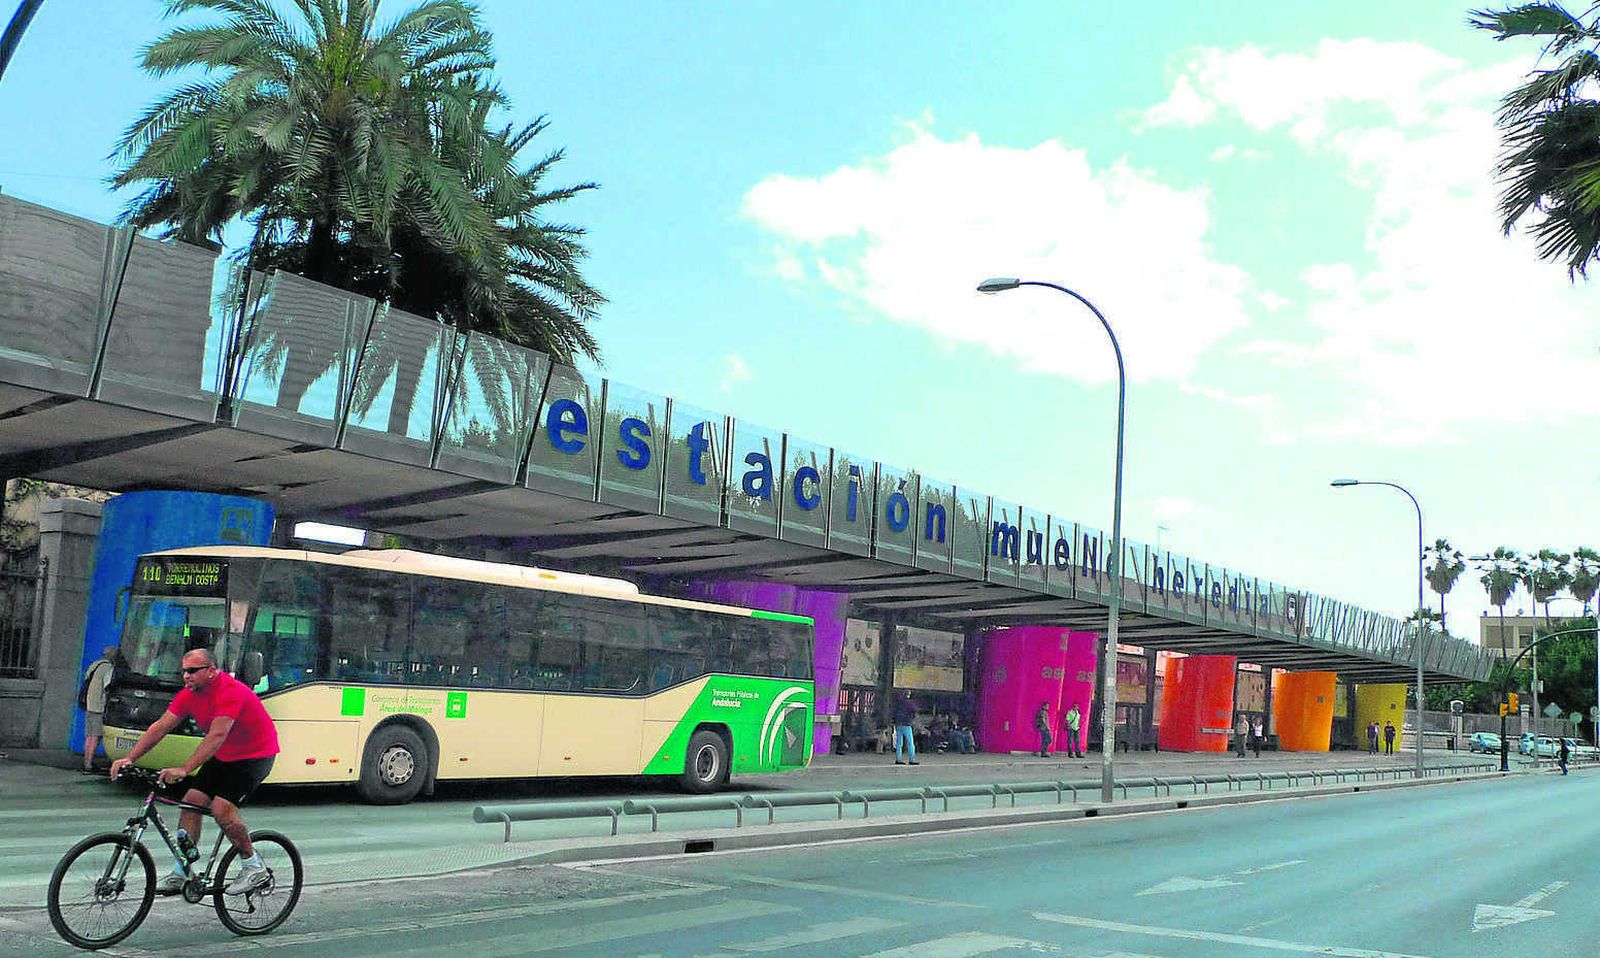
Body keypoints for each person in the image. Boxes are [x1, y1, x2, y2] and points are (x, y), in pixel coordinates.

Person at [109, 648, 280, 897]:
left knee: (221, 810)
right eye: (183, 671)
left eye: (192, 671)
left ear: (211, 671)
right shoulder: (190, 694)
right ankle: (182, 872)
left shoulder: (230, 692)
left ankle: (253, 865)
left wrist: (184, 769)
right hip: (224, 756)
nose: (186, 676)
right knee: (191, 802)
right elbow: (160, 727)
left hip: (254, 756)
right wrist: (130, 757)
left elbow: (217, 735)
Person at [80, 647, 120, 773]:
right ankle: (89, 765)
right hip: (99, 707)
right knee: (96, 736)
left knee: (89, 736)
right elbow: (108, 686)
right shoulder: (108, 668)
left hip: (89, 704)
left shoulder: (94, 665)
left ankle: (86, 762)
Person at [891, 691, 918, 765]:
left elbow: (894, 713)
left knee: (899, 743)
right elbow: (915, 709)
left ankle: (898, 759)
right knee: (910, 743)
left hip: (898, 724)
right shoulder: (909, 703)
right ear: (908, 695)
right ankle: (912, 759)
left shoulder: (898, 703)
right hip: (906, 724)